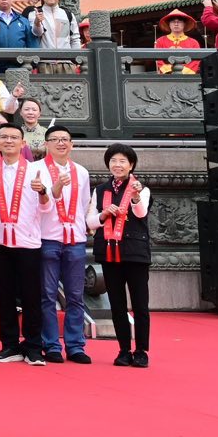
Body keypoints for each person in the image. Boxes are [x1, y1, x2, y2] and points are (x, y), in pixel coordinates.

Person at [0, 123, 52, 363]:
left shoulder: (37, 171)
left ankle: (33, 347)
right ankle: (9, 345)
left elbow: (47, 207)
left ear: (23, 143)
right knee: (5, 296)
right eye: (4, 137)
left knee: (32, 297)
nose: (9, 141)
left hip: (28, 241)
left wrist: (42, 191)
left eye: (14, 137)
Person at [37, 127, 97, 364]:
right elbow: (37, 205)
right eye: (55, 140)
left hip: (75, 239)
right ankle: (51, 344)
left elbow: (84, 205)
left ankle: (75, 345)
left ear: (72, 144)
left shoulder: (81, 172)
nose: (61, 143)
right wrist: (54, 191)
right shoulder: (36, 169)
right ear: (46, 144)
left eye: (65, 140)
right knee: (47, 295)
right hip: (47, 236)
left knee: (75, 295)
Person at [94, 143, 153, 367]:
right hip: (109, 252)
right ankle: (123, 349)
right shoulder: (100, 190)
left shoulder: (142, 188)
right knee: (117, 304)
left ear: (131, 165)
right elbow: (90, 221)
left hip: (135, 253)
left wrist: (136, 197)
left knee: (140, 304)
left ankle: (141, 350)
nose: (117, 165)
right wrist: (102, 215)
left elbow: (141, 213)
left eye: (122, 161)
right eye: (113, 161)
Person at [154, 9, 202, 74]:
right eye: (173, 22)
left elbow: (195, 61)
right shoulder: (160, 41)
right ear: (169, 24)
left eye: (179, 22)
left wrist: (184, 72)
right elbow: (158, 59)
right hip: (166, 76)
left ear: (184, 24)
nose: (176, 24)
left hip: (187, 77)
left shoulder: (193, 42)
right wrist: (168, 70)